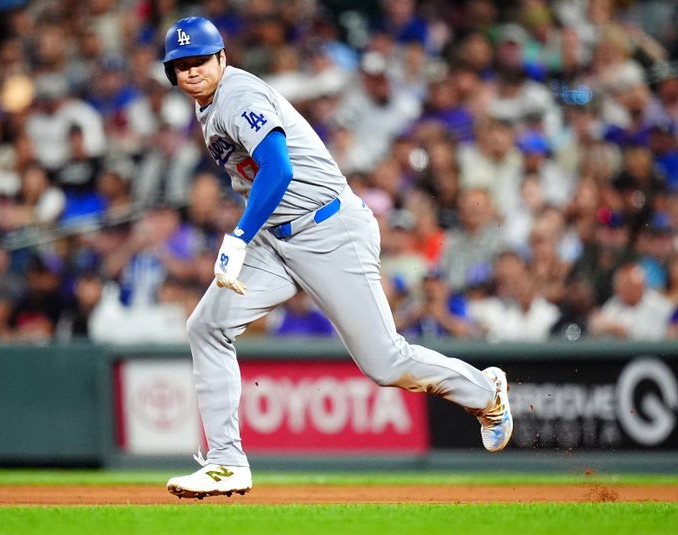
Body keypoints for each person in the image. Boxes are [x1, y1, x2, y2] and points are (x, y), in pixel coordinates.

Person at [159, 17, 513, 500]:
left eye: (200, 59)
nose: (192, 71)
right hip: (277, 238)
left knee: (385, 363)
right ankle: (225, 462)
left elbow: (278, 169)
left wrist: (239, 236)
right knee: (206, 326)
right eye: (181, 66)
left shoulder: (238, 97)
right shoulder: (208, 105)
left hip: (328, 228)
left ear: (222, 57)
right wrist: (251, 233)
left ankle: (485, 393)